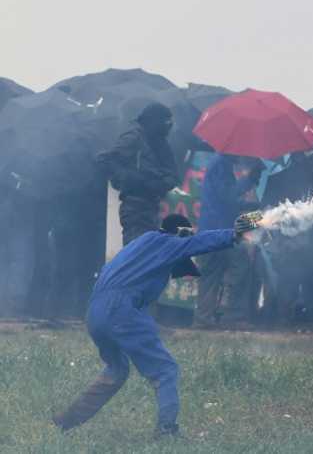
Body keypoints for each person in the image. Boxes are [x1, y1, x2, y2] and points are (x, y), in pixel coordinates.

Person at [52, 212, 260, 436]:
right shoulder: (168, 242)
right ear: (180, 233)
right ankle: (167, 430)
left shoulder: (140, 245)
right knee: (165, 370)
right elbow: (200, 242)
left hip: (94, 312)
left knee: (116, 371)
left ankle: (66, 421)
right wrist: (235, 234)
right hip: (120, 310)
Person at [193, 154, 263, 329]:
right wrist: (249, 180)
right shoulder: (221, 165)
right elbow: (227, 196)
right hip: (220, 231)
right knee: (241, 266)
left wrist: (251, 207)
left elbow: (225, 200)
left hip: (212, 229)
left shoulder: (219, 163)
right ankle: (233, 317)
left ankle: (203, 320)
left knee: (210, 274)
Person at [97, 103, 179, 244]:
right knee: (136, 252)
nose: (168, 126)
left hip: (152, 205)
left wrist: (161, 183)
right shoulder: (134, 137)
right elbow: (105, 160)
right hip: (134, 205)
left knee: (146, 251)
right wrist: (131, 179)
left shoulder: (160, 142)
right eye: (165, 121)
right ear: (154, 120)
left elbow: (174, 175)